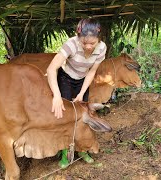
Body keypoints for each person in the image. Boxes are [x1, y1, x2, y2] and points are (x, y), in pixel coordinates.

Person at [46, 18, 107, 168]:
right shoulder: (71, 44)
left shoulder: (102, 48)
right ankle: (64, 153)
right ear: (77, 37)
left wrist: (82, 92)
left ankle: (82, 150)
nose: (87, 47)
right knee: (66, 116)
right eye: (83, 43)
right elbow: (51, 69)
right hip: (66, 78)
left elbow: (92, 71)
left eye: (92, 43)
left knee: (83, 115)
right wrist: (57, 96)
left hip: (83, 80)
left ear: (99, 39)